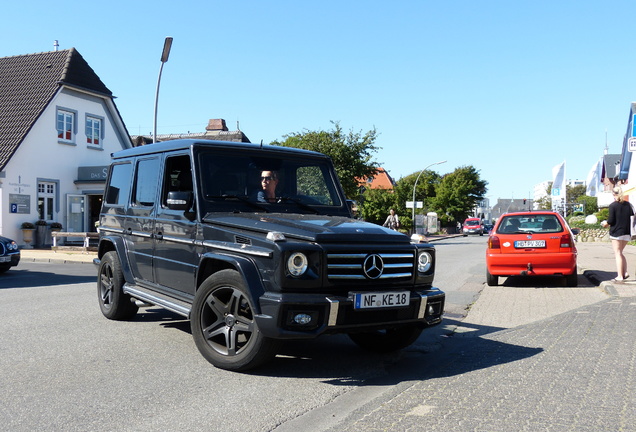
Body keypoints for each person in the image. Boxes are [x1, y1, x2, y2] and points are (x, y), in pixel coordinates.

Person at [601, 186, 634, 282]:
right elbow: (631, 217)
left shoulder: (613, 205)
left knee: (618, 253)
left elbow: (611, 220)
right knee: (621, 253)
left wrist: (605, 224)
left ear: (613, 194)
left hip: (616, 232)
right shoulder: (628, 205)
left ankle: (620, 276)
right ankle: (625, 272)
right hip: (627, 232)